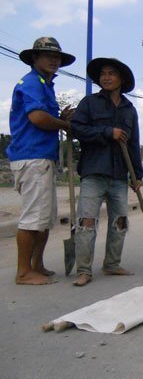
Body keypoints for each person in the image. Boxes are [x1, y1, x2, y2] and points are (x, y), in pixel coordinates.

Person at [7, 37, 76, 285]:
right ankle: (24, 272)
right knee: (33, 217)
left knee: (45, 217)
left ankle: (37, 264)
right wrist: (64, 124)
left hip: (43, 157)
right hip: (32, 156)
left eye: (56, 56)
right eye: (47, 55)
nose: (53, 60)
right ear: (34, 58)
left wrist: (59, 117)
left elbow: (46, 117)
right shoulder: (32, 83)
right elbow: (38, 118)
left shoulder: (45, 84)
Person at [70, 57, 143, 287]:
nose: (106, 77)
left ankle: (111, 264)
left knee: (120, 221)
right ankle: (84, 270)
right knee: (87, 221)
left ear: (121, 79)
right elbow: (78, 129)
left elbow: (133, 144)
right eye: (103, 74)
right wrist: (106, 132)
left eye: (112, 73)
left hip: (120, 175)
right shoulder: (89, 103)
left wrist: (137, 175)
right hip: (93, 172)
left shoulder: (129, 110)